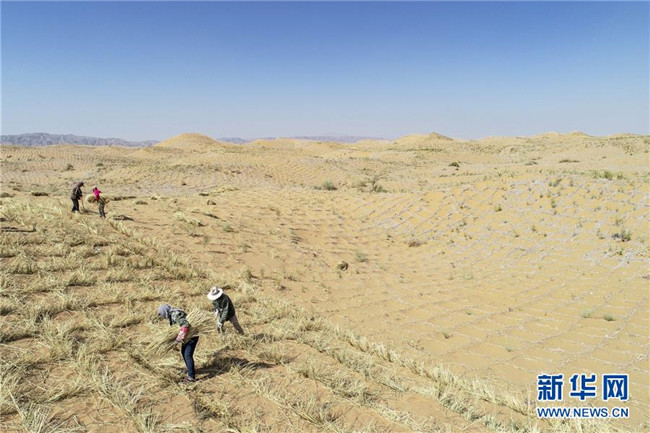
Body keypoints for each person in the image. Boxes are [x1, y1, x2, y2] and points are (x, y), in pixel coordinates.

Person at [156, 304, 199, 382]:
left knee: (188, 355)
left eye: (161, 314)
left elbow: (185, 325)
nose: (162, 316)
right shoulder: (172, 315)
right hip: (187, 337)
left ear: (165, 311)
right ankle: (189, 369)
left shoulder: (175, 315)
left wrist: (178, 339)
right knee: (183, 352)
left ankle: (191, 377)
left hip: (192, 336)